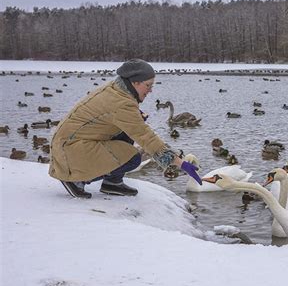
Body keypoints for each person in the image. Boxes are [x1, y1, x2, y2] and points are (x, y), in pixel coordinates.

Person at [49, 59, 201, 199]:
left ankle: (112, 183)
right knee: (133, 158)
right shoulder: (122, 103)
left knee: (127, 132)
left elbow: (115, 117)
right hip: (69, 150)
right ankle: (76, 180)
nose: (151, 90)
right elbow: (146, 137)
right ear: (134, 83)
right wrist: (181, 164)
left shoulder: (116, 89)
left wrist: (136, 116)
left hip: (66, 144)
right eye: (148, 85)